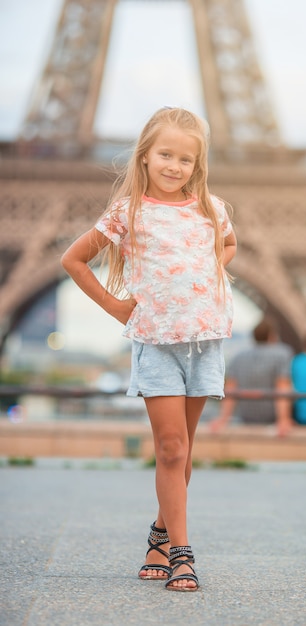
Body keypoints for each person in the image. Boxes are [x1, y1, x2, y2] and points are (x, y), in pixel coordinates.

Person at [61, 107, 237, 592]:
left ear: (196, 166)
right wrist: (117, 307)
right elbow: (73, 259)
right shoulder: (128, 211)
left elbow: (228, 246)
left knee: (184, 451)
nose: (174, 165)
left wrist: (202, 277)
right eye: (165, 154)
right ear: (145, 156)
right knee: (171, 447)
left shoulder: (210, 207)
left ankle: (161, 533)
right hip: (156, 342)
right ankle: (182, 552)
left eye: (185, 159)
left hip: (204, 341)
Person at [209, 317, 294, 437]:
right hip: (272, 417)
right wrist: (283, 419)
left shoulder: (238, 357)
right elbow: (282, 387)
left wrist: (223, 419)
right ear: (272, 335)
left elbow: (230, 390)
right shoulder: (283, 354)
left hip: (247, 417)